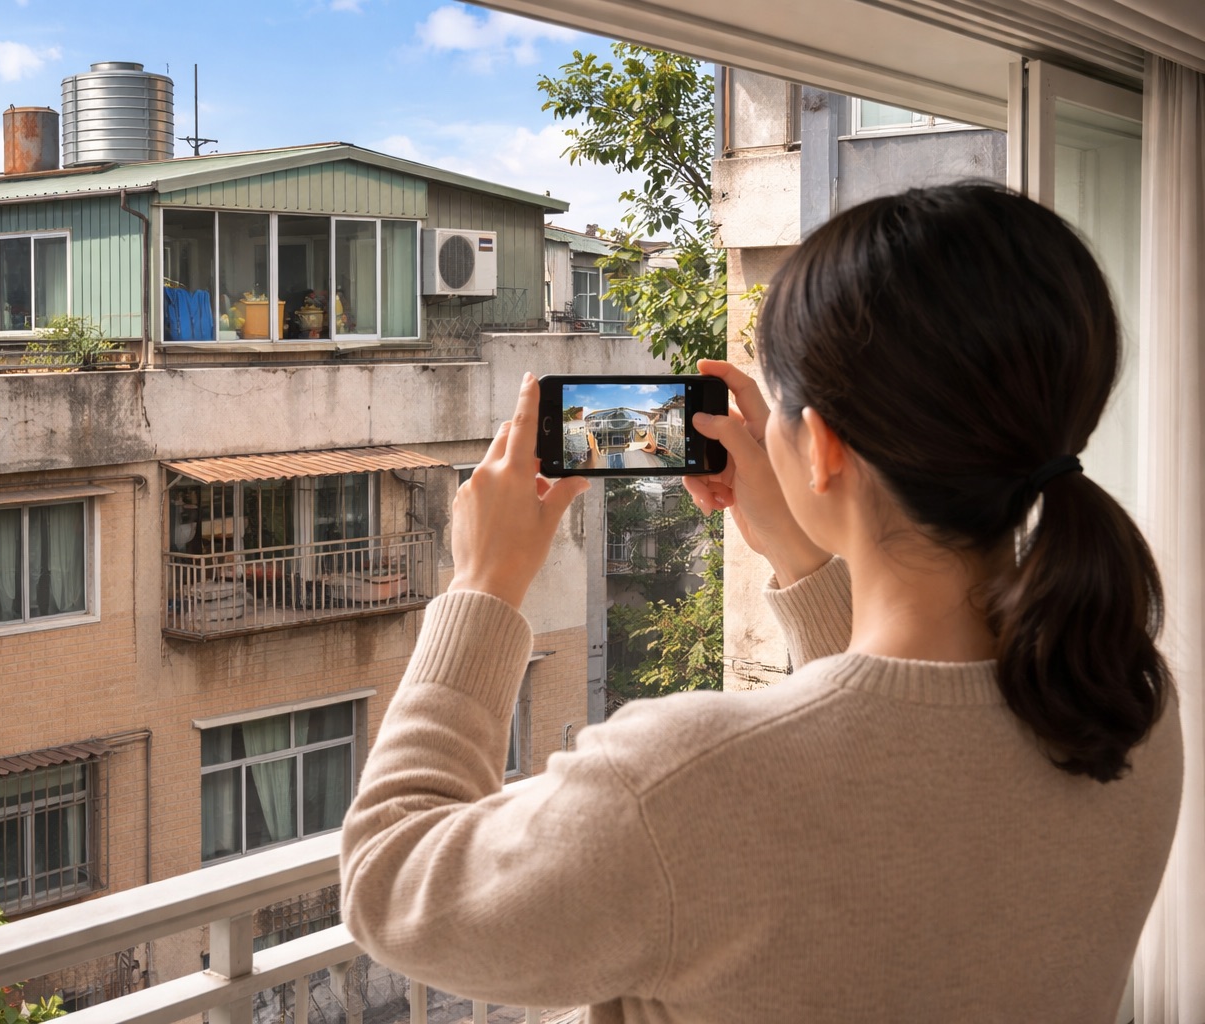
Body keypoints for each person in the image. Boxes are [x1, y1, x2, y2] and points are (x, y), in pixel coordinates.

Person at [338, 184, 1183, 1022]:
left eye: (777, 404)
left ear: (822, 447)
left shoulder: (678, 786)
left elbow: (389, 883)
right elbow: (888, 767)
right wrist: (802, 549)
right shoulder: (1123, 704)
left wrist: (483, 587)